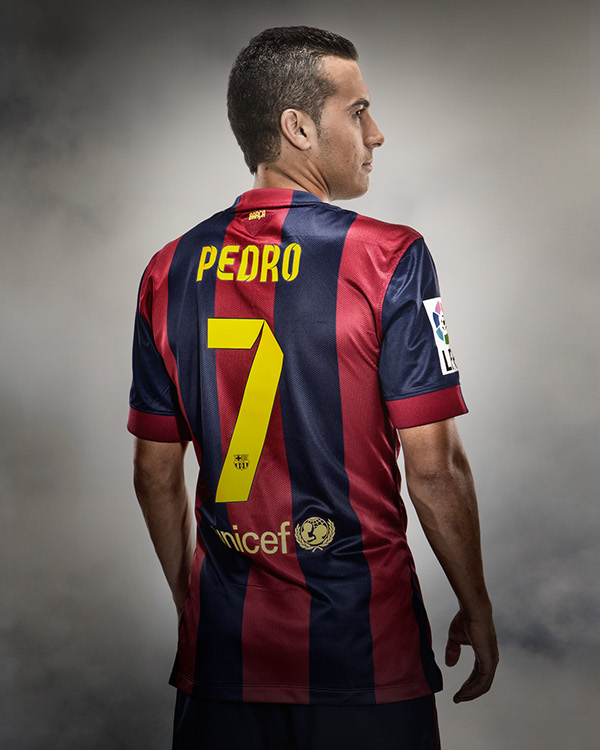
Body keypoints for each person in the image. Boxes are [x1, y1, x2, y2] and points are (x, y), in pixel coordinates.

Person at [128, 26, 498, 750]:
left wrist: (193, 606)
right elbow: (435, 468)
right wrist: (476, 602)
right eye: (358, 112)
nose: (376, 133)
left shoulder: (166, 269)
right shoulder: (391, 257)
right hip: (363, 653)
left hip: (223, 659)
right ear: (298, 127)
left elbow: (153, 473)